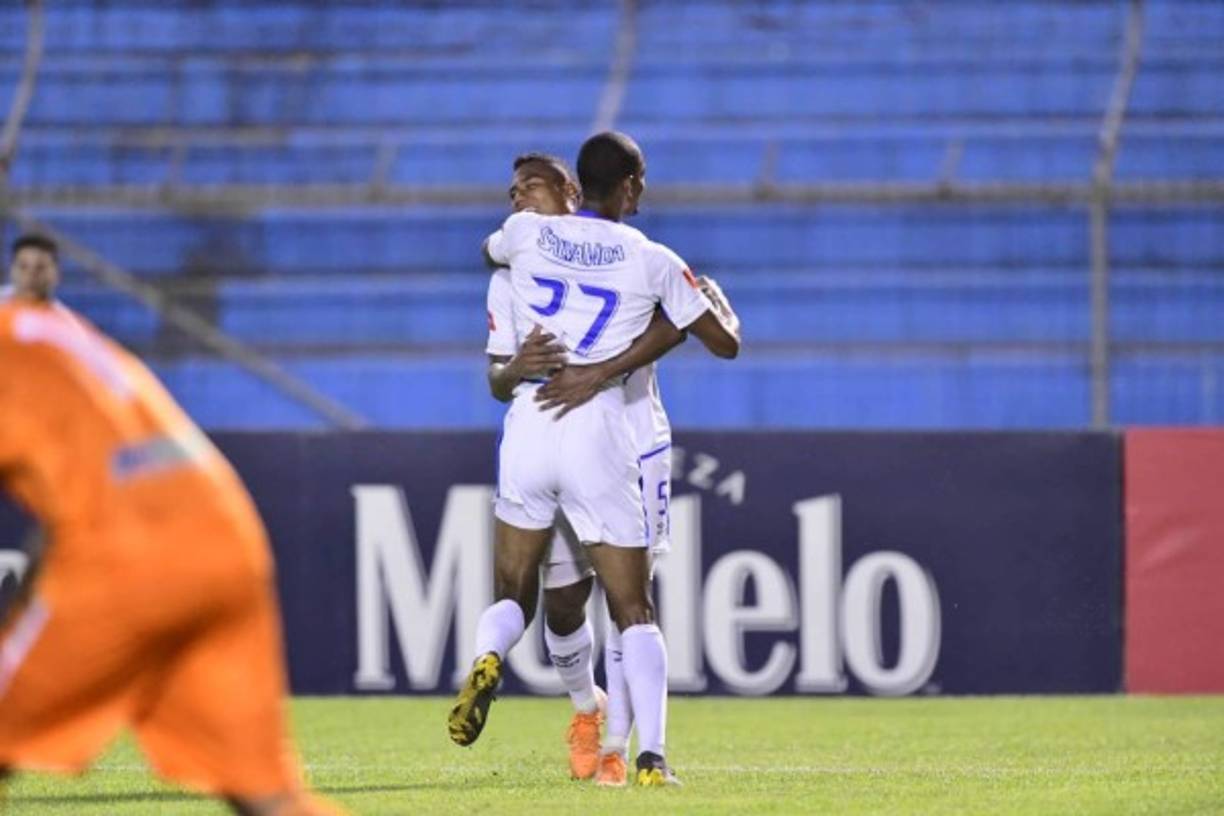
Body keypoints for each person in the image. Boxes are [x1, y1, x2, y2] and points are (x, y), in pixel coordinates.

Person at [0, 234, 342, 816]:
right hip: (223, 530)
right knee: (269, 798)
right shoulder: (57, 330)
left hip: (127, 553)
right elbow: (77, 491)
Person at [450, 132, 741, 787]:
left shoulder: (523, 239)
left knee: (518, 592)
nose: (518, 198)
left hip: (538, 421)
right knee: (626, 605)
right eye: (514, 191)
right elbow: (719, 339)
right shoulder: (648, 256)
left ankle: (503, 664)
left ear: (573, 189)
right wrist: (704, 305)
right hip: (603, 431)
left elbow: (488, 247)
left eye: (529, 187)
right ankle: (643, 754)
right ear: (631, 185)